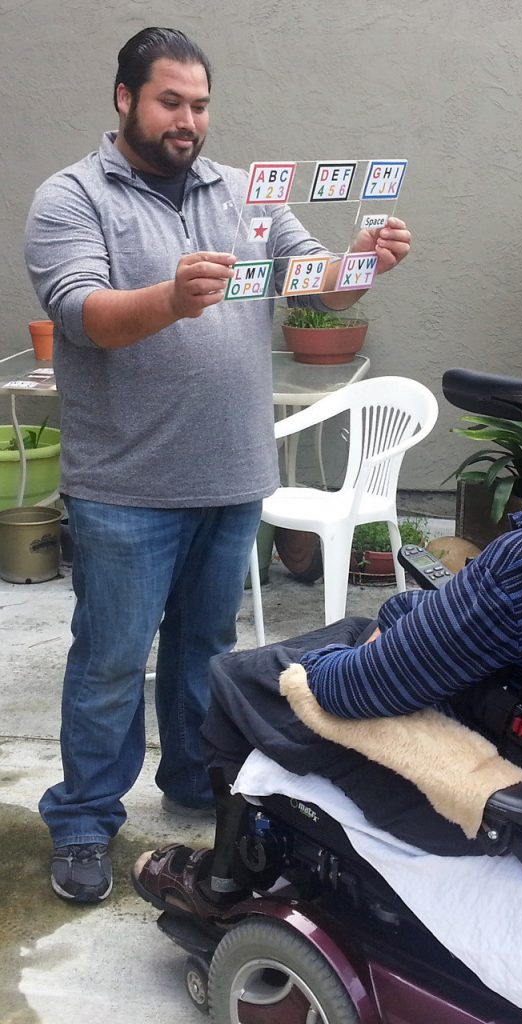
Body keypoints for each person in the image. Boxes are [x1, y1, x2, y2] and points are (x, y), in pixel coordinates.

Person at [24, 26, 411, 905]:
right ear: (124, 98)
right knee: (111, 661)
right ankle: (84, 817)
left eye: (199, 105)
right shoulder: (70, 198)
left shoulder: (243, 192)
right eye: (170, 102)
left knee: (207, 650)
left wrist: (364, 265)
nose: (187, 120)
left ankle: (196, 782)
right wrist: (169, 297)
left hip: (232, 474)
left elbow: (313, 280)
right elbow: (85, 315)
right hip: (125, 485)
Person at [132, 304, 522, 912]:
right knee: (359, 627)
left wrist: (326, 670)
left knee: (240, 677)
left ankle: (228, 880)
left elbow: (355, 693)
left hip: (475, 784)